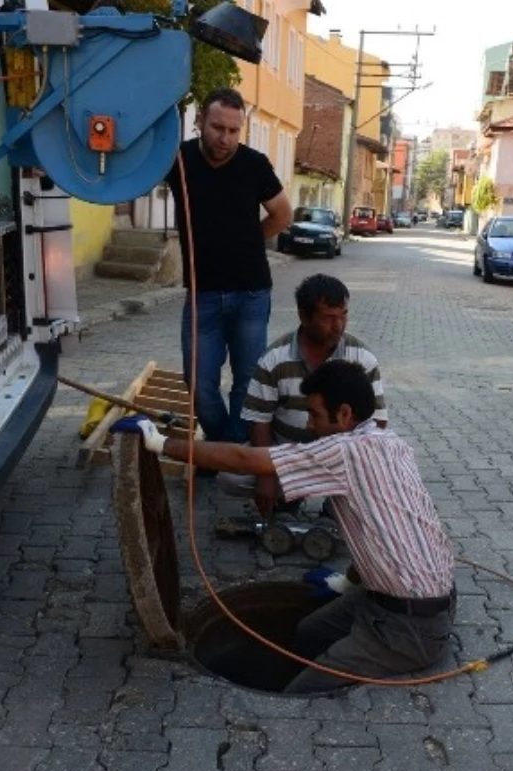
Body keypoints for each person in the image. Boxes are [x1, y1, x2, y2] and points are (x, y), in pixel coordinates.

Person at [120, 360, 456, 694]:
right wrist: (346, 581)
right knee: (308, 633)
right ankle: (299, 664)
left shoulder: (345, 451)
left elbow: (244, 459)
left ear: (343, 414)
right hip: (397, 599)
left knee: (307, 688)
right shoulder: (391, 443)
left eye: (315, 415)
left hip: (412, 625)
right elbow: (381, 531)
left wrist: (162, 444)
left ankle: (302, 685)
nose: (309, 425)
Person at [165, 87, 293, 445]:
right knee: (198, 380)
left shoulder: (255, 164)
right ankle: (223, 446)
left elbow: (282, 214)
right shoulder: (179, 159)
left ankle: (231, 452)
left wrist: (250, 243)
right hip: (202, 292)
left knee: (247, 379)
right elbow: (135, 172)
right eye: (218, 128)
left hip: (251, 291)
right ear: (201, 122)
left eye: (234, 131)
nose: (225, 138)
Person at [222, 274, 387, 518]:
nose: (339, 325)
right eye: (328, 317)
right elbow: (259, 421)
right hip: (288, 456)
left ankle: (335, 505)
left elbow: (378, 423)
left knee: (380, 472)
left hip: (340, 460)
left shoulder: (362, 358)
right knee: (231, 477)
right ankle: (289, 495)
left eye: (343, 315)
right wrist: (266, 476)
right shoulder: (274, 358)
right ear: (303, 316)